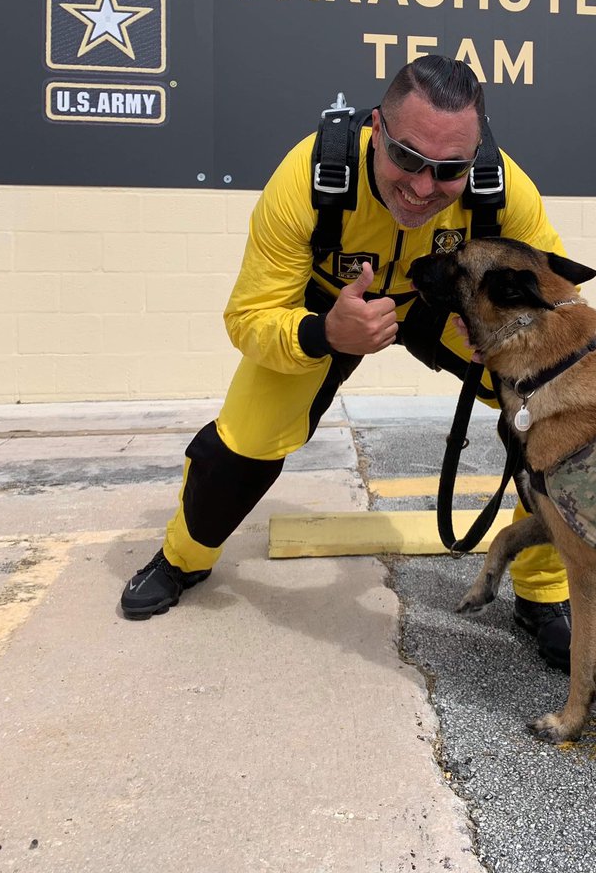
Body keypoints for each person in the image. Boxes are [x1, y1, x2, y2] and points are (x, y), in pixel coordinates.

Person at [120, 55, 572, 669]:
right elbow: (248, 318)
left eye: (448, 170)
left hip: (439, 305)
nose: (421, 187)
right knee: (244, 442)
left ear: (474, 156)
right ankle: (183, 558)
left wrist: (501, 333)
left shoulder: (502, 189)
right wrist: (322, 334)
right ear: (376, 129)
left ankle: (542, 592)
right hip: (330, 310)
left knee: (556, 414)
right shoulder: (313, 174)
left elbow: (556, 313)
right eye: (407, 158)